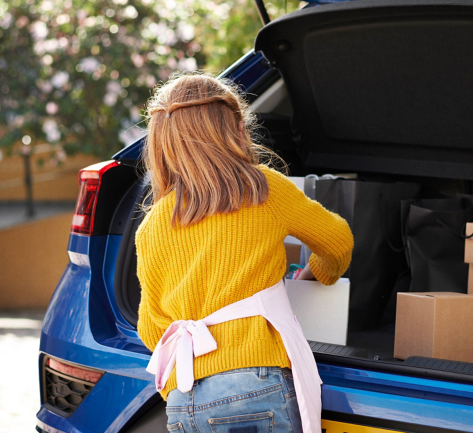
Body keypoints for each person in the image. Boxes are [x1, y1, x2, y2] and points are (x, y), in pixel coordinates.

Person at [134, 73, 354, 433]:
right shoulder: (263, 189)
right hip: (252, 387)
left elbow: (151, 328)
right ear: (237, 128)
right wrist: (318, 274)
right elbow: (338, 241)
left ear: (163, 143)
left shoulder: (152, 225)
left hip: (182, 399)